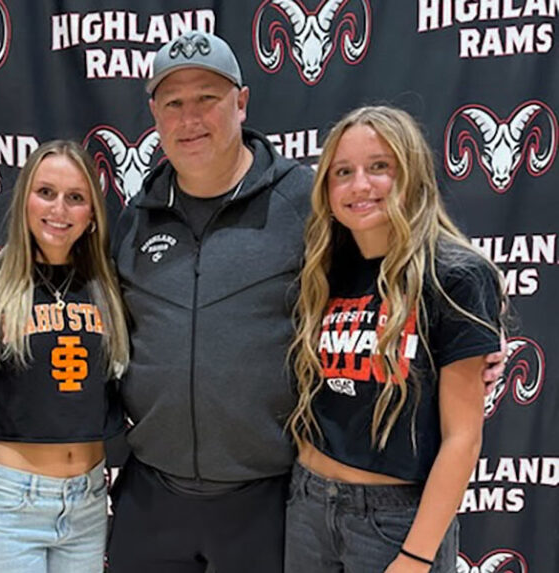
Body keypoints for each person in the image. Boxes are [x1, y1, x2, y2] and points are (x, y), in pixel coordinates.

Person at [107, 31, 506, 573]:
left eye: (208, 98)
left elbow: (407, 265)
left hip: (270, 499)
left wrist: (472, 346)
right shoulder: (132, 220)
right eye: (173, 103)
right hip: (157, 493)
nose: (190, 117)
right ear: (154, 113)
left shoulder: (306, 202)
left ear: (241, 102)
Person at [284, 106, 505, 572]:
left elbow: (462, 439)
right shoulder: (323, 269)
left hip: (394, 521)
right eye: (343, 172)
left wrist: (416, 556)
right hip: (307, 504)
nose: (360, 185)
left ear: (412, 173)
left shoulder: (456, 276)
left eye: (379, 167)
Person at [0, 140, 130, 573]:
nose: (59, 209)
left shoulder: (109, 284)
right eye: (46, 192)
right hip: (8, 501)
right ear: (24, 201)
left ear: (92, 213)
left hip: (88, 500)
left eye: (75, 198)